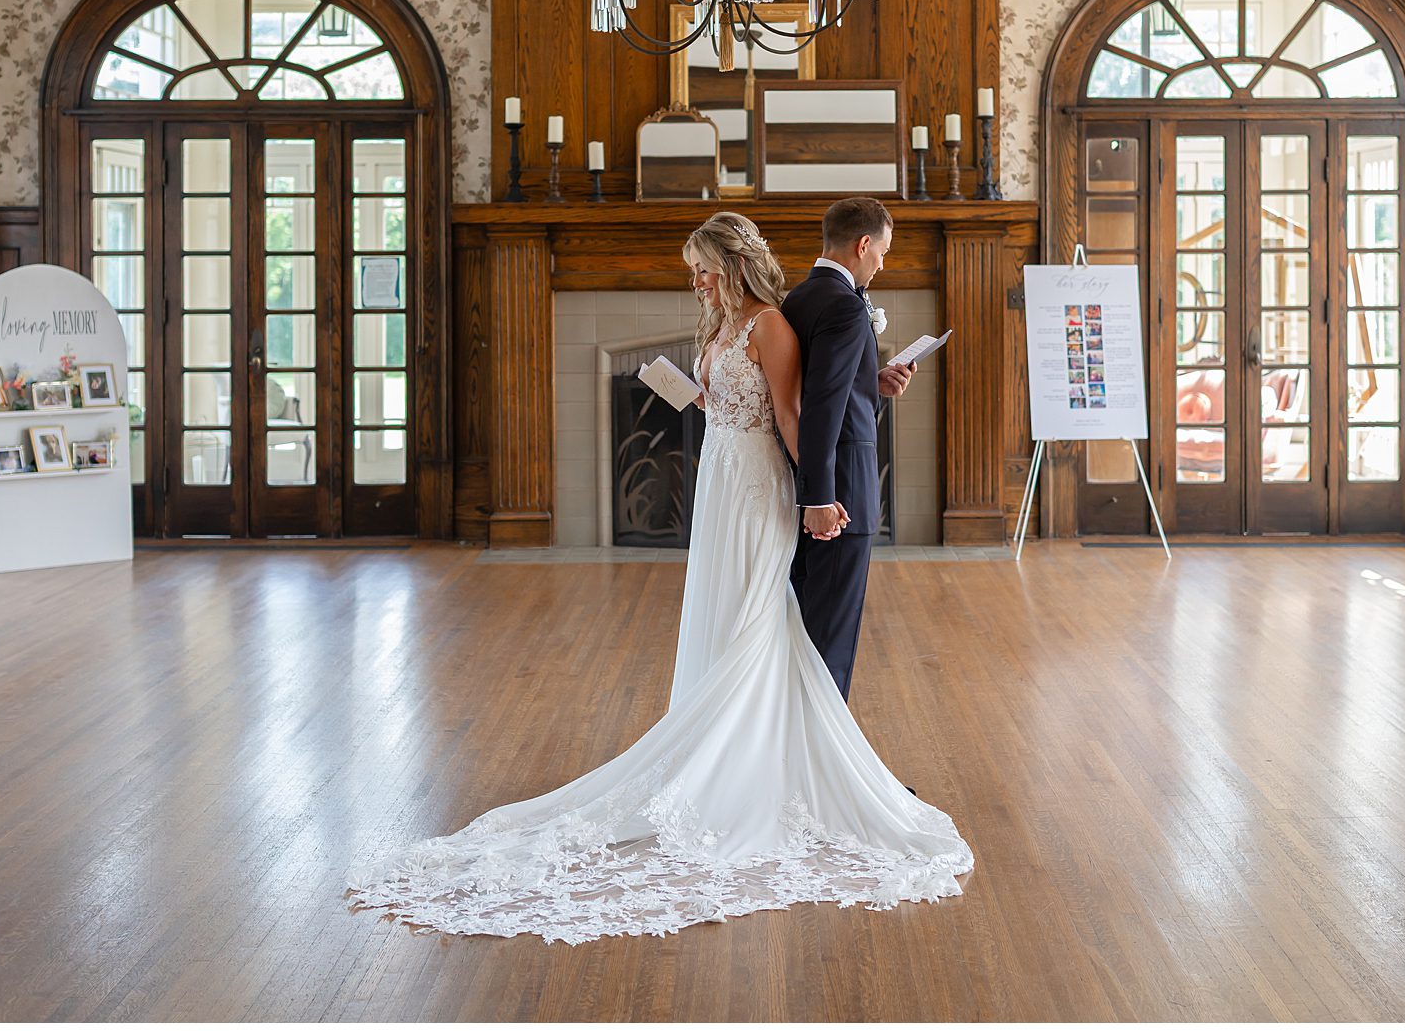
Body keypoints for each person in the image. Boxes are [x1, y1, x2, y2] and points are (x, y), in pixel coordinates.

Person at [347, 211, 970, 944]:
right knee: (730, 618)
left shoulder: (776, 319)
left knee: (759, 623)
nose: (695, 281)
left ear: (730, 265)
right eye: (692, 270)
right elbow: (763, 399)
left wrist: (816, 495)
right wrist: (697, 396)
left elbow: (795, 412)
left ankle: (777, 773)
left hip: (757, 488)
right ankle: (754, 763)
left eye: (702, 269)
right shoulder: (729, 325)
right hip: (721, 481)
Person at [779, 196, 915, 699]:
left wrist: (871, 382)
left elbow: (814, 388)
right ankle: (822, 745)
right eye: (882, 251)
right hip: (839, 497)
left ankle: (797, 735)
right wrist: (820, 498)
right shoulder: (846, 305)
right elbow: (820, 407)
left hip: (805, 484)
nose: (882, 262)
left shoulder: (797, 299)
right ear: (862, 245)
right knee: (831, 638)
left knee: (807, 623)